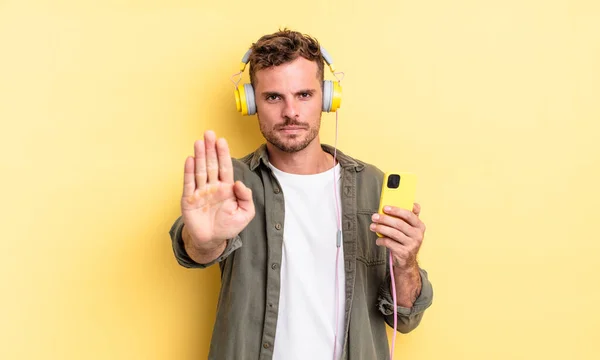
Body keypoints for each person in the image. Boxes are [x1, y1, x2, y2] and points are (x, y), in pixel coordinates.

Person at [169, 29, 433, 360]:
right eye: (273, 97)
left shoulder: (372, 185)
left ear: (326, 97)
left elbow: (404, 318)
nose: (291, 112)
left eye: (304, 95)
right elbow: (193, 248)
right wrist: (205, 241)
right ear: (250, 103)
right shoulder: (230, 181)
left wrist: (405, 262)